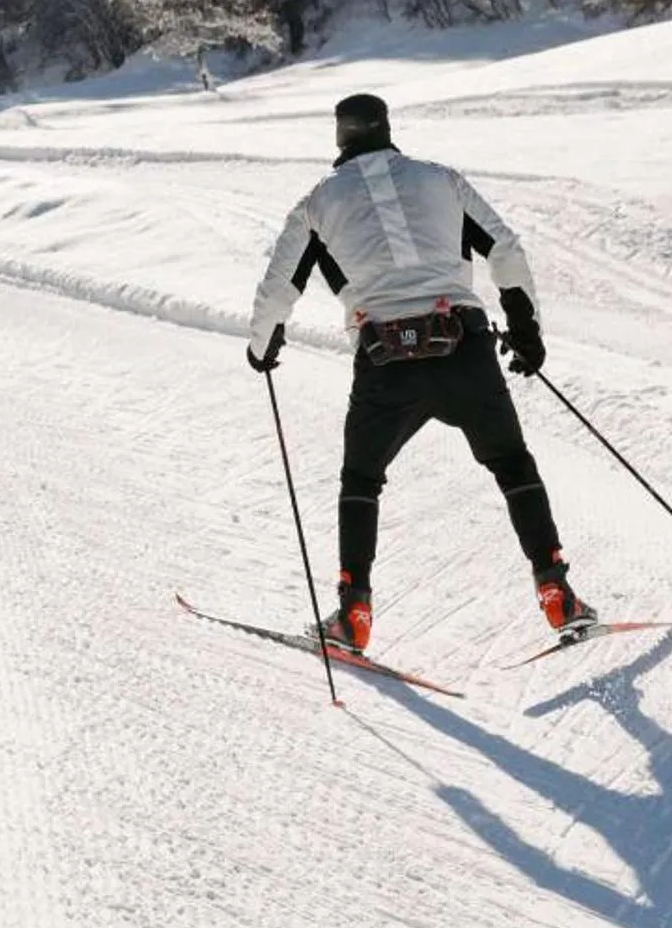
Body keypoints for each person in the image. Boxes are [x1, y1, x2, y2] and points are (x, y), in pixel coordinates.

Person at [244, 92, 598, 653]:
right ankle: (557, 593)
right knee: (510, 463)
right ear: (386, 129)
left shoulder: (317, 204)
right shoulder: (441, 181)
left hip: (385, 365)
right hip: (464, 349)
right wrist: (526, 334)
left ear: (339, 137)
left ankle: (353, 614)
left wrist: (263, 347)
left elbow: (278, 287)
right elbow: (505, 249)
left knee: (362, 480)